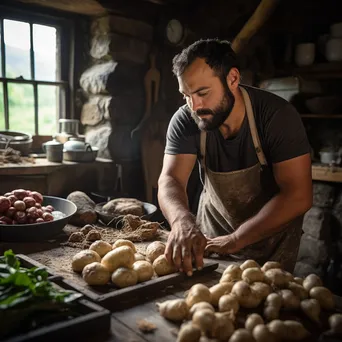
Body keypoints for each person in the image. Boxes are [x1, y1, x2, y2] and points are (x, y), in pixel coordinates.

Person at [157, 38, 313, 275]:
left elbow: (298, 196)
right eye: (186, 95)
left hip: (271, 249)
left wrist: (236, 239)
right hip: (211, 242)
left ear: (232, 79)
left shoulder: (277, 117)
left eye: (202, 92)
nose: (195, 105)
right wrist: (181, 220)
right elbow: (170, 180)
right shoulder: (186, 119)